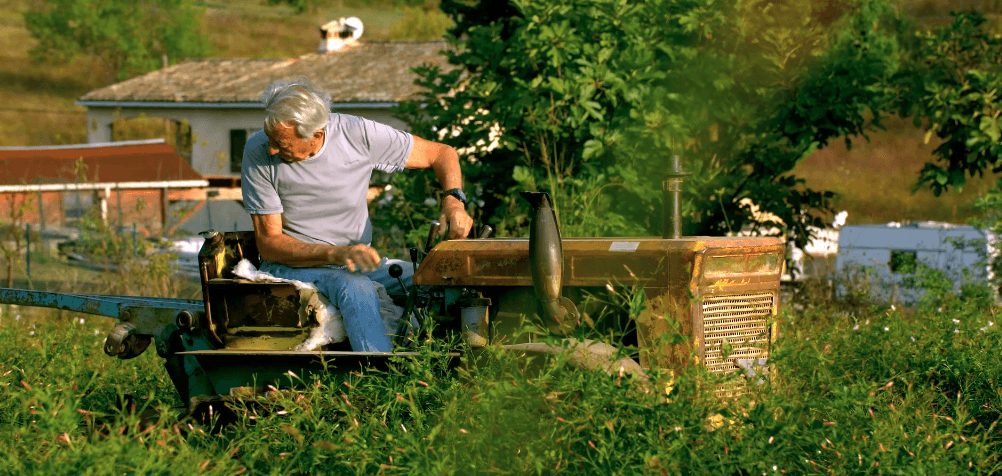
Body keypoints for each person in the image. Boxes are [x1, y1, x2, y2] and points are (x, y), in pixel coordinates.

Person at [241, 79, 474, 352]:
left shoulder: (357, 133)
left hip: (353, 263)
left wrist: (454, 202)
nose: (272, 149)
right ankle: (381, 382)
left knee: (442, 276)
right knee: (357, 289)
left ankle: (455, 366)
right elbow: (270, 243)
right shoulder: (258, 153)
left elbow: (441, 153)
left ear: (316, 134)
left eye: (281, 143)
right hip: (292, 268)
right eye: (270, 139)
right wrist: (336, 254)